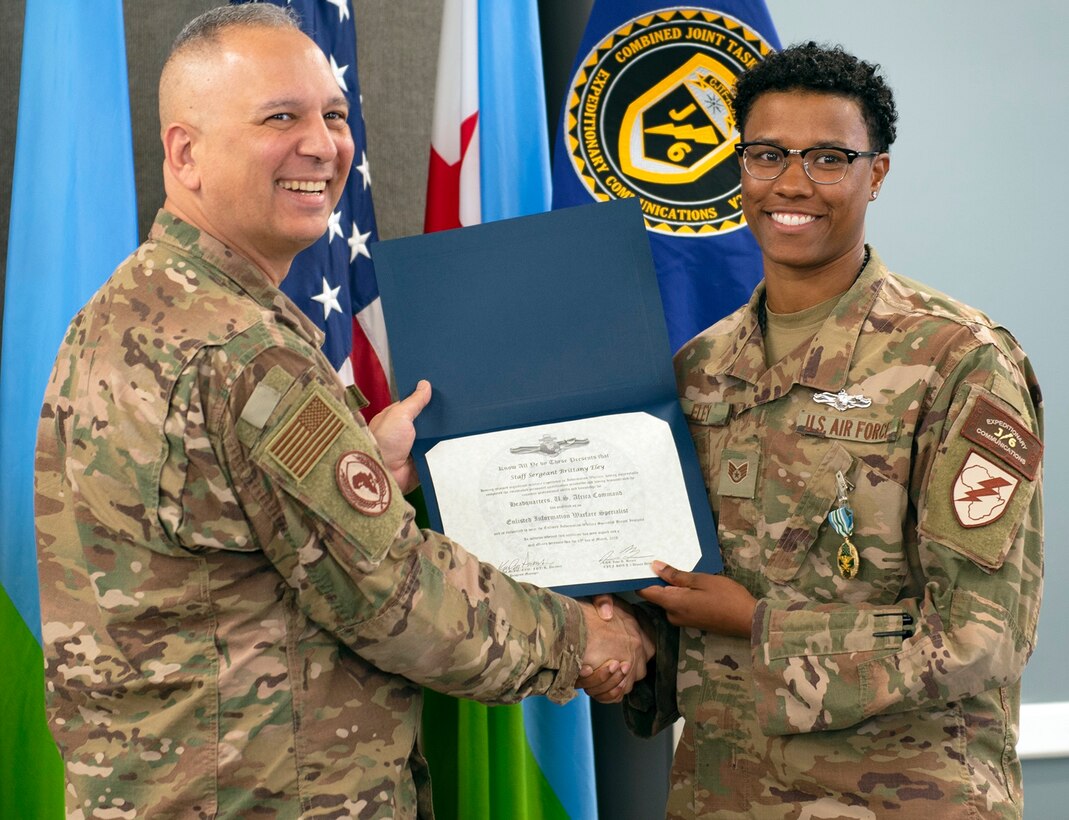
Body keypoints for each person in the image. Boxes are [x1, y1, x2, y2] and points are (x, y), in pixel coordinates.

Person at [33, 5, 650, 818]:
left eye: (332, 113)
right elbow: (398, 599)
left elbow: (219, 527)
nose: (322, 144)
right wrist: (586, 640)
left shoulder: (127, 309)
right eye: (279, 117)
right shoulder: (244, 353)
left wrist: (355, 455)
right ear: (185, 152)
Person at [609, 42, 1044, 818]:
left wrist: (756, 625)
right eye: (767, 154)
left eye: (828, 158)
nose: (791, 184)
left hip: (904, 799)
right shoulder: (698, 371)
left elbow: (981, 639)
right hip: (723, 793)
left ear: (875, 173)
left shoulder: (957, 361)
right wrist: (615, 635)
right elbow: (682, 603)